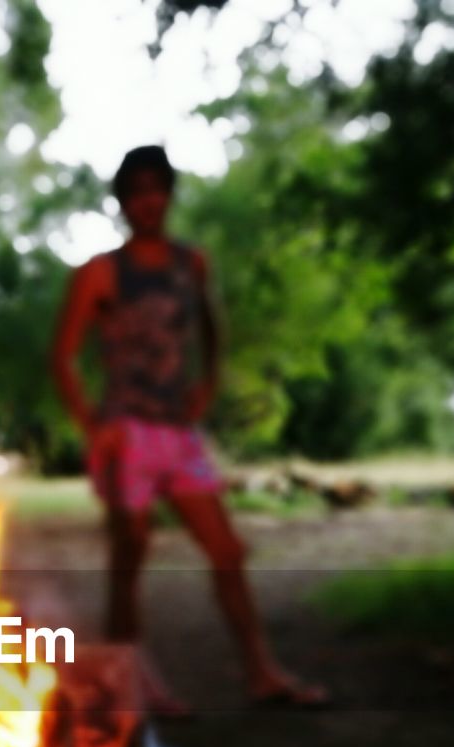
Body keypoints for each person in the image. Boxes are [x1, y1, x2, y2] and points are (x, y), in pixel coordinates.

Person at [51, 143, 327, 715]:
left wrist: (209, 381)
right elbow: (64, 356)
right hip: (126, 432)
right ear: (123, 202)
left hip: (179, 433)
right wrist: (91, 426)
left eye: (158, 189)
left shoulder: (190, 263)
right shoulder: (101, 273)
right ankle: (128, 687)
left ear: (169, 196)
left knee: (226, 548)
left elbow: (211, 323)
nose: (149, 201)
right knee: (129, 555)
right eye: (137, 192)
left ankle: (261, 673)